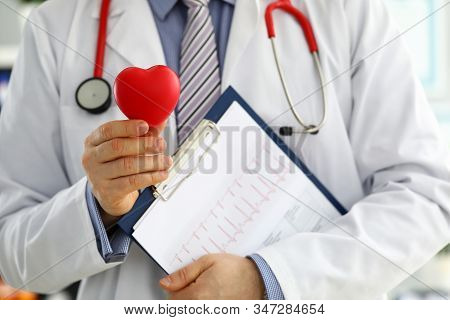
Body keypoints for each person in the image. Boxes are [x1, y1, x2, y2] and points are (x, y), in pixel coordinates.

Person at [0, 0, 449, 300]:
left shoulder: (347, 12)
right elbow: (14, 253)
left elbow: (426, 196)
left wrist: (270, 279)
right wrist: (99, 209)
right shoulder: (57, 25)